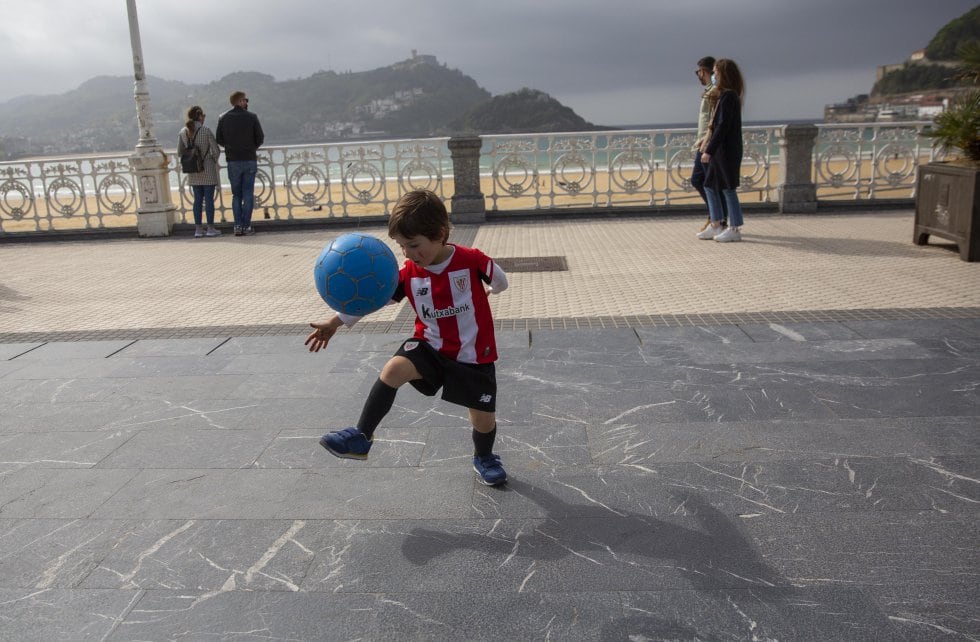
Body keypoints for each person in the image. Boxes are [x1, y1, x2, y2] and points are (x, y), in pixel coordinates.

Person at [306, 189, 510, 486]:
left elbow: (501, 280)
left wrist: (492, 290)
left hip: (473, 354)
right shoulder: (409, 273)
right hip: (429, 345)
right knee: (394, 369)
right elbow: (373, 300)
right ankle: (362, 435)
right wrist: (335, 322)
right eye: (402, 247)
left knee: (482, 419)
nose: (409, 254)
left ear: (440, 234)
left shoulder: (471, 260)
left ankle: (484, 456)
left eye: (414, 246)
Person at [697, 58, 746, 243]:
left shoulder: (729, 96)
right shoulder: (724, 95)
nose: (714, 75)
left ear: (724, 74)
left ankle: (734, 228)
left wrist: (709, 149)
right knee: (709, 184)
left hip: (727, 151)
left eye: (716, 72)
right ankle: (716, 223)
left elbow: (722, 126)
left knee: (728, 188)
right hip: (720, 151)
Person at [215, 91, 264, 236]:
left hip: (233, 160)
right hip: (249, 159)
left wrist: (231, 147)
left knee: (236, 195)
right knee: (248, 193)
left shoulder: (223, 118)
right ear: (240, 101)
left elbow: (219, 139)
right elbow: (260, 137)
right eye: (245, 100)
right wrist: (250, 147)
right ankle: (247, 225)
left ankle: (237, 226)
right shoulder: (252, 117)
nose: (246, 103)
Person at [691, 56, 725, 232]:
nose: (698, 75)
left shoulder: (715, 92)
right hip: (703, 142)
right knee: (701, 180)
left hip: (707, 143)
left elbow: (713, 120)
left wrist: (706, 141)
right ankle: (716, 216)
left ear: (704, 71)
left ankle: (717, 218)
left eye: (698, 72)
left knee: (705, 181)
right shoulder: (710, 90)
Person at [177, 106, 221, 237]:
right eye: (204, 116)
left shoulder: (183, 132)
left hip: (192, 170)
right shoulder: (205, 130)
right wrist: (210, 160)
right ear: (200, 116)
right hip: (207, 168)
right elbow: (216, 150)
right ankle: (211, 228)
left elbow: (180, 152)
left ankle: (198, 229)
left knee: (197, 200)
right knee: (208, 199)